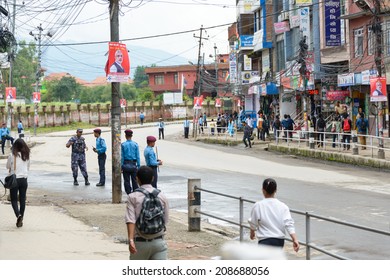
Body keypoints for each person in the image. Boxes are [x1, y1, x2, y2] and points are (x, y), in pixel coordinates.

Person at [125, 166, 169, 260]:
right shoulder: (162, 196)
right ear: (153, 178)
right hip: (159, 243)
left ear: (137, 179)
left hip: (140, 244)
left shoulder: (133, 197)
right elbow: (165, 220)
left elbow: (130, 220)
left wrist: (131, 240)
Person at [249, 178, 299, 252]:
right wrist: (295, 239)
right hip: (279, 241)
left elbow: (253, 222)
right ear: (276, 190)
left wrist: (252, 232)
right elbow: (289, 224)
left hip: (264, 240)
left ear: (263, 190)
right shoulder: (283, 206)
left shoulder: (258, 205)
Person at [6, 138, 30, 228]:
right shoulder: (26, 155)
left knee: (14, 199)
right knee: (22, 199)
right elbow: (28, 167)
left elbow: (7, 166)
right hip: (24, 179)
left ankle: (18, 215)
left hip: (15, 179)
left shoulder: (12, 155)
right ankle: (22, 217)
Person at [121, 129, 141, 194]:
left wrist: (121, 166)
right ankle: (135, 193)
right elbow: (138, 156)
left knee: (126, 181)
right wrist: (138, 165)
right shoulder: (135, 144)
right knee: (135, 181)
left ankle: (129, 193)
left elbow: (122, 157)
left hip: (126, 164)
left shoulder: (123, 145)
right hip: (133, 164)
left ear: (125, 136)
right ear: (131, 136)